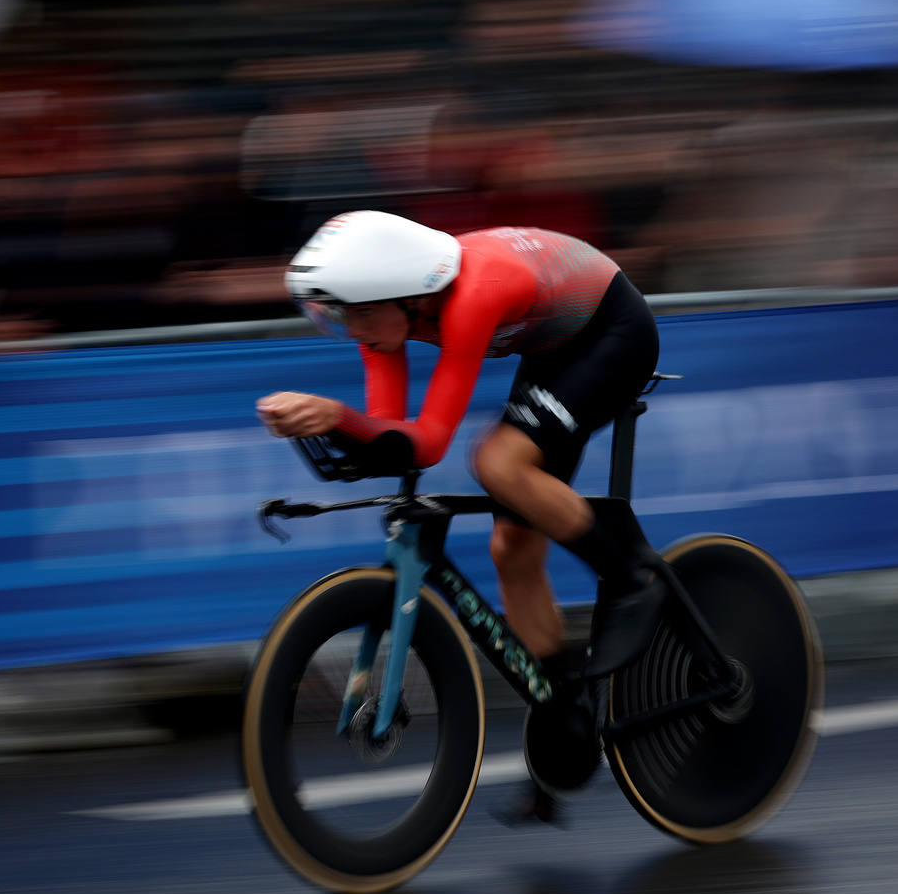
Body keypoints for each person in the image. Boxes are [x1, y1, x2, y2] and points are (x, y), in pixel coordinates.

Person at [256, 210, 662, 824]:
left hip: (613, 333)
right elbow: (390, 437)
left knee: (496, 462)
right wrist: (335, 425)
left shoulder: (472, 294)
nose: (350, 328)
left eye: (357, 312)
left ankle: (633, 577)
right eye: (336, 314)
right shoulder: (387, 321)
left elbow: (428, 444)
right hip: (556, 348)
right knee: (512, 550)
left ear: (408, 296)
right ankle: (563, 726)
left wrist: (336, 416)